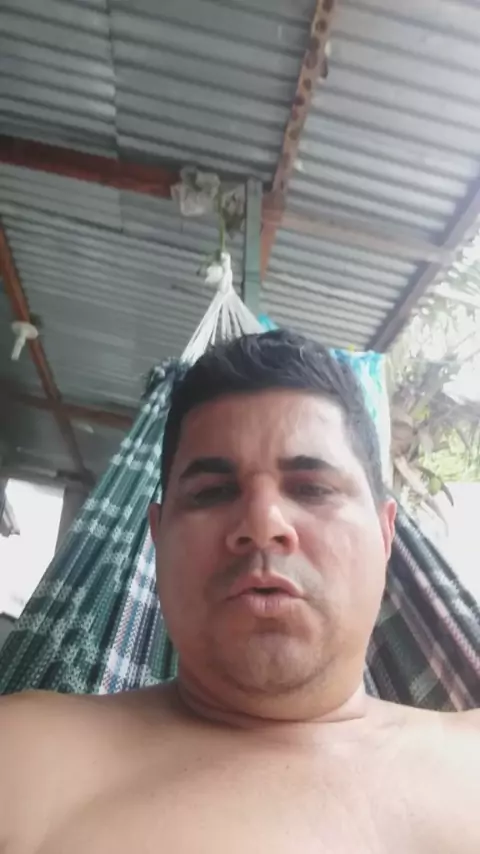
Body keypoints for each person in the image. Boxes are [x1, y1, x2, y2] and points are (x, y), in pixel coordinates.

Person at [0, 330, 478, 854]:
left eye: (312, 488)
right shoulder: (25, 762)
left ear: (386, 535)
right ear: (158, 537)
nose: (262, 523)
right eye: (212, 492)